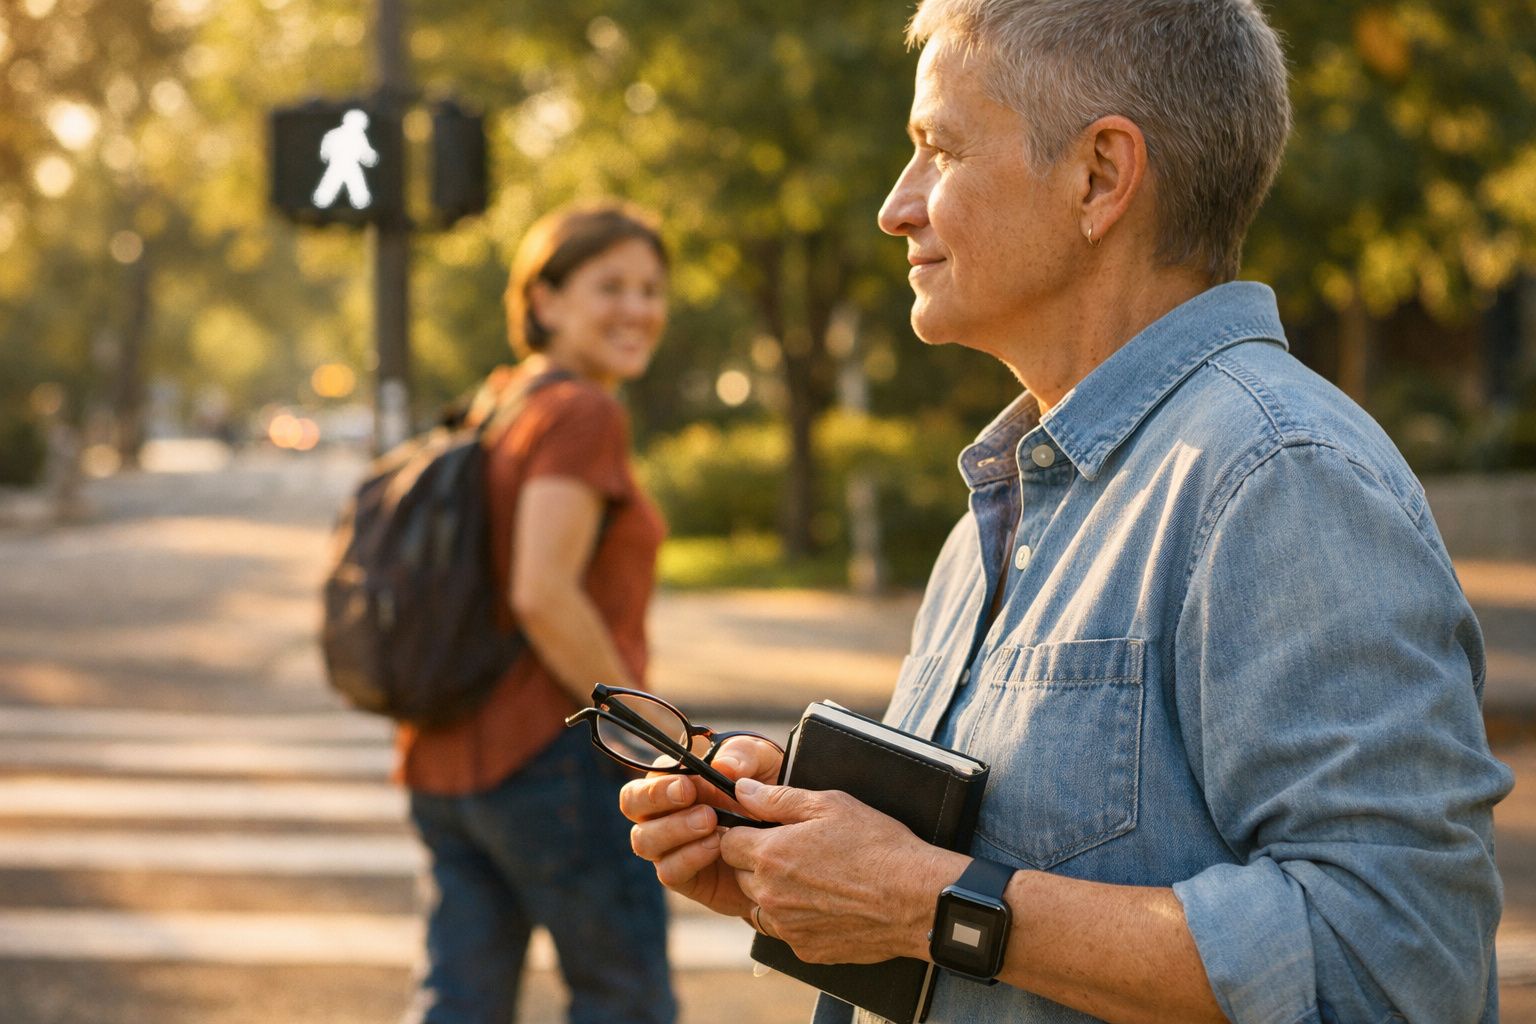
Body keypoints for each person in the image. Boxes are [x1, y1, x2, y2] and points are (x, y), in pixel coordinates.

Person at [620, 2, 1514, 1022]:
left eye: (937, 151)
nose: (895, 206)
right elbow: (1005, 876)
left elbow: (1395, 964)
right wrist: (812, 862)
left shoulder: (1280, 475)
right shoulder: (1000, 510)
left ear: (1099, 177)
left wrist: (923, 900)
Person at [397, 201, 678, 1024]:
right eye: (611, 286)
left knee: (459, 1004)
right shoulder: (582, 413)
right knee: (623, 1000)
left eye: (652, 289)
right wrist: (651, 731)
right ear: (545, 300)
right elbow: (542, 592)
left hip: (446, 760)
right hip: (551, 763)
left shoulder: (497, 403)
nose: (639, 309)